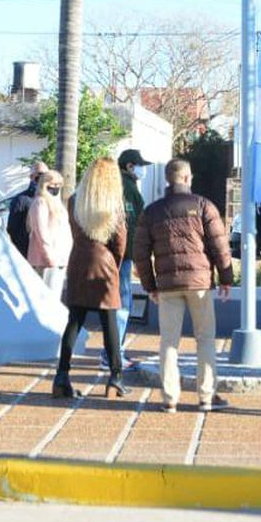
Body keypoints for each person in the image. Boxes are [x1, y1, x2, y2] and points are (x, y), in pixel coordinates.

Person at [134, 158, 234, 414]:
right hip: (199, 283)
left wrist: (149, 285)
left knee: (169, 342)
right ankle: (207, 397)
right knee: (205, 339)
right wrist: (226, 277)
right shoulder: (203, 206)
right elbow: (219, 245)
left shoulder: (152, 211)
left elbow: (141, 252)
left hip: (167, 285)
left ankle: (169, 398)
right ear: (188, 178)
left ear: (168, 179)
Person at [51, 158, 128, 400]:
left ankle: (61, 376)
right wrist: (113, 263)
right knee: (110, 323)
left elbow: (75, 232)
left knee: (74, 322)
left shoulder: (74, 201)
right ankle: (115, 377)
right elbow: (120, 241)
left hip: (78, 262)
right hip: (104, 263)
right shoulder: (113, 205)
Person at [111, 149, 150, 372]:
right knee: (121, 305)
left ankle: (114, 353)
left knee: (118, 304)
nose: (142, 169)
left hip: (123, 254)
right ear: (129, 166)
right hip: (122, 255)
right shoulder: (124, 187)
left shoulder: (127, 185)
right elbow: (129, 223)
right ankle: (114, 354)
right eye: (139, 164)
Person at [26, 170, 71, 282]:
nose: (56, 187)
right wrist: (50, 257)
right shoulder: (40, 202)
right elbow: (41, 233)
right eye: (53, 184)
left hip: (60, 259)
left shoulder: (57, 203)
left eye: (58, 185)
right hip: (46, 261)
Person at [7, 161, 50, 257]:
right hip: (27, 254)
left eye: (46, 174)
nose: (43, 178)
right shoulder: (21, 200)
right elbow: (13, 230)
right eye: (40, 174)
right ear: (31, 177)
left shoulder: (52, 199)